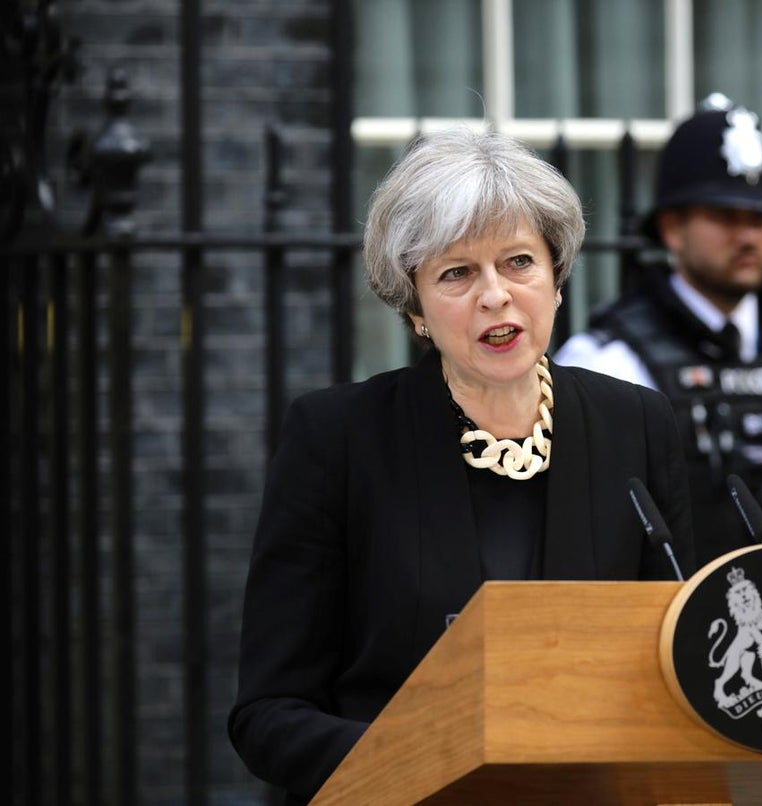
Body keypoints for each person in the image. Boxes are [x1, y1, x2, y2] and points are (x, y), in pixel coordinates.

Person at [228, 128, 695, 804]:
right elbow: (268, 714)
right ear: (415, 307)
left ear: (556, 277)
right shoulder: (338, 439)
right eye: (456, 273)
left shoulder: (639, 427)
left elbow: (676, 668)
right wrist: (427, 758)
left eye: (518, 262)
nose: (495, 295)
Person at [556, 94, 762, 566]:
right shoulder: (609, 361)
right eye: (724, 217)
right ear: (673, 228)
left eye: (760, 219)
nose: (748, 237)